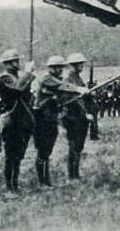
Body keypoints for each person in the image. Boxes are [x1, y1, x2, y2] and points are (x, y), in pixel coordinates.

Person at [33, 55, 88, 189]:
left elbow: (62, 97)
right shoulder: (47, 79)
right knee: (43, 151)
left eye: (61, 68)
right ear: (51, 68)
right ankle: (42, 182)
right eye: (57, 67)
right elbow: (62, 86)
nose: (60, 70)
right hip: (41, 120)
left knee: (47, 151)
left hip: (51, 119)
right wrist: (78, 89)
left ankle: (46, 182)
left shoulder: (55, 80)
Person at [0, 49, 36, 198]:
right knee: (11, 156)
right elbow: (18, 88)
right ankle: (9, 188)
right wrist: (28, 72)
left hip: (22, 122)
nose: (18, 63)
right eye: (15, 61)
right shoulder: (4, 79)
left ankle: (15, 184)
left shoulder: (17, 77)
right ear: (7, 64)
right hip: (11, 122)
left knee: (19, 156)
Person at [62, 53, 94, 182]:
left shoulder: (78, 79)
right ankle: (72, 175)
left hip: (80, 118)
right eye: (80, 64)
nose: (82, 66)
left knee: (79, 146)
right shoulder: (68, 80)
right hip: (72, 117)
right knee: (74, 145)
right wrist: (85, 112)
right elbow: (71, 100)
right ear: (74, 65)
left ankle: (76, 173)